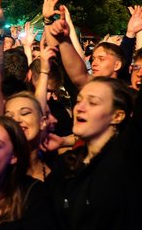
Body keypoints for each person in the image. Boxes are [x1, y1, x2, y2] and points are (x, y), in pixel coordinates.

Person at [46, 77, 141, 230]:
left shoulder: (128, 159)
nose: (80, 108)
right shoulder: (66, 163)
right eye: (78, 101)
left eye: (93, 103)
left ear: (117, 116)